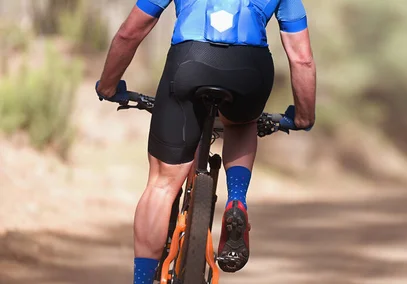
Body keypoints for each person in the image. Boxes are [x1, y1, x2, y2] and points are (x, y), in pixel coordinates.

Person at [95, 0, 316, 282]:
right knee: (241, 122)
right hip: (250, 71)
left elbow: (131, 32)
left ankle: (141, 279)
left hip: (189, 63)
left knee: (161, 184)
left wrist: (108, 85)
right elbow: (302, 58)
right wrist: (303, 117)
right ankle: (236, 200)